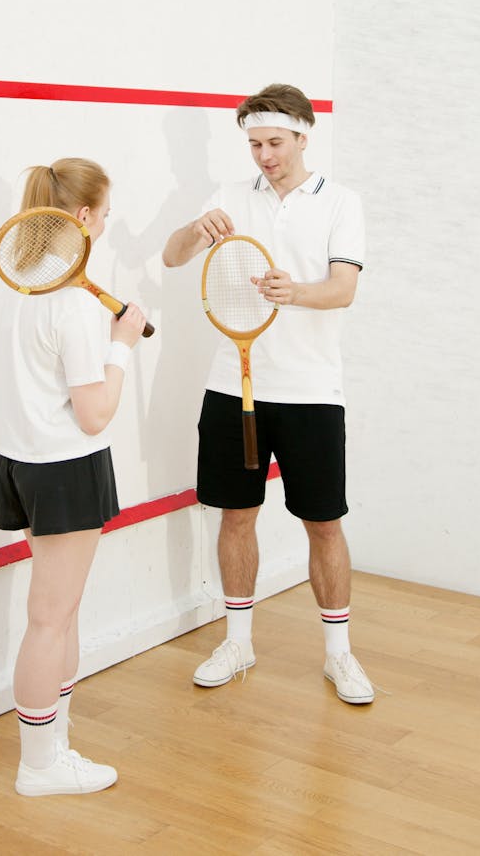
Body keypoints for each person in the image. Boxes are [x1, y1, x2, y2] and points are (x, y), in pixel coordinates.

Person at [162, 84, 373, 705]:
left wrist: (294, 292)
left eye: (275, 142)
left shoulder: (340, 202)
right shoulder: (227, 198)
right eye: (254, 144)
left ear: (304, 135)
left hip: (310, 390)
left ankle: (340, 655)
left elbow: (342, 290)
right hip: (233, 385)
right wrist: (194, 228)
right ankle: (237, 641)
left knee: (324, 524)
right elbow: (173, 257)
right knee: (236, 515)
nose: (264, 154)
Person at [0, 157, 146, 795]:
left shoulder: (15, 283)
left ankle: (55, 745)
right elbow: (94, 413)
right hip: (65, 467)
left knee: (61, 611)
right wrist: (123, 344)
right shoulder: (76, 305)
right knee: (51, 617)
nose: (106, 223)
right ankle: (39, 765)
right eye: (105, 213)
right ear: (82, 216)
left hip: (20, 464)